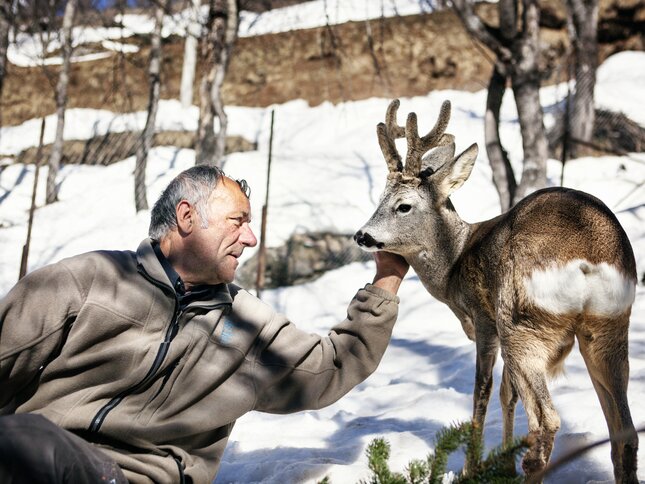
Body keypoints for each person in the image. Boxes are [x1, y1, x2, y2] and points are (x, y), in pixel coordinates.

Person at [0, 165, 409, 484]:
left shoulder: (248, 327)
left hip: (131, 478)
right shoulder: (87, 280)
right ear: (186, 217)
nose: (250, 239)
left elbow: (333, 365)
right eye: (238, 220)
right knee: (27, 442)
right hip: (33, 459)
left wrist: (387, 278)